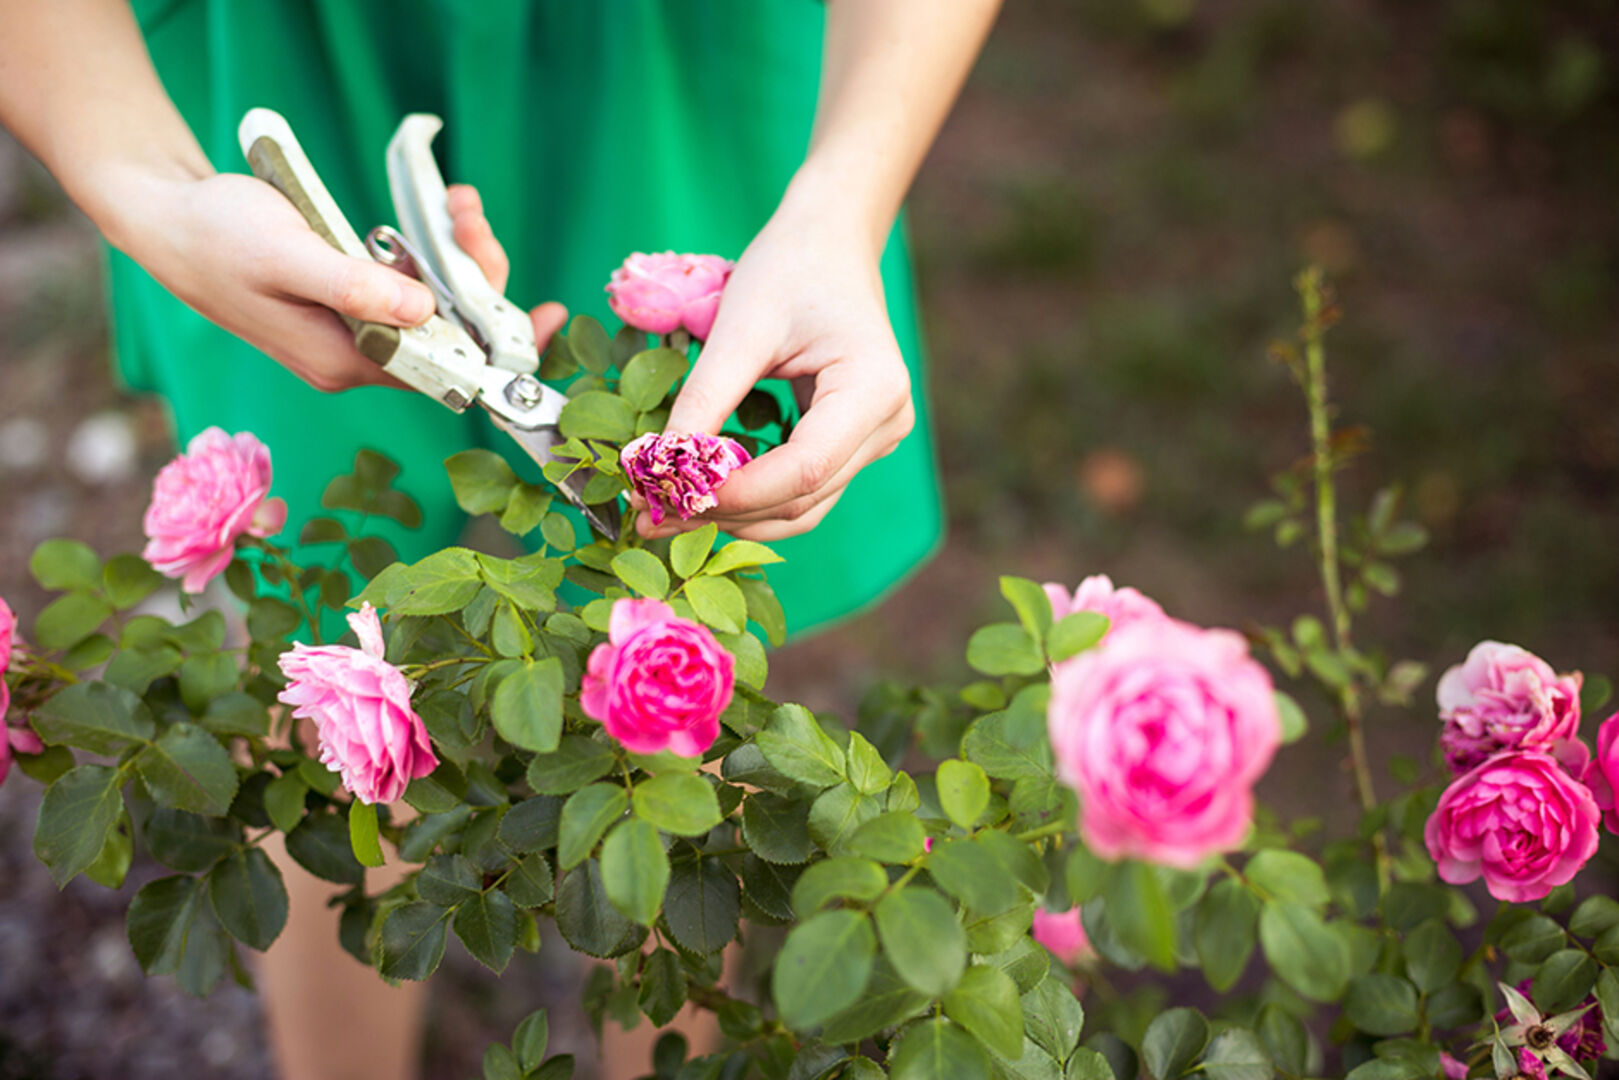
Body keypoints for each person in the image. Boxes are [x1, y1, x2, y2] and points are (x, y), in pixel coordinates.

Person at [0, 1, 1001, 1077]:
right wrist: (152, 189)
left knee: (689, 672)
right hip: (298, 44)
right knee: (321, 666)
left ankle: (659, 1045)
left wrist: (840, 200)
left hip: (670, 62)